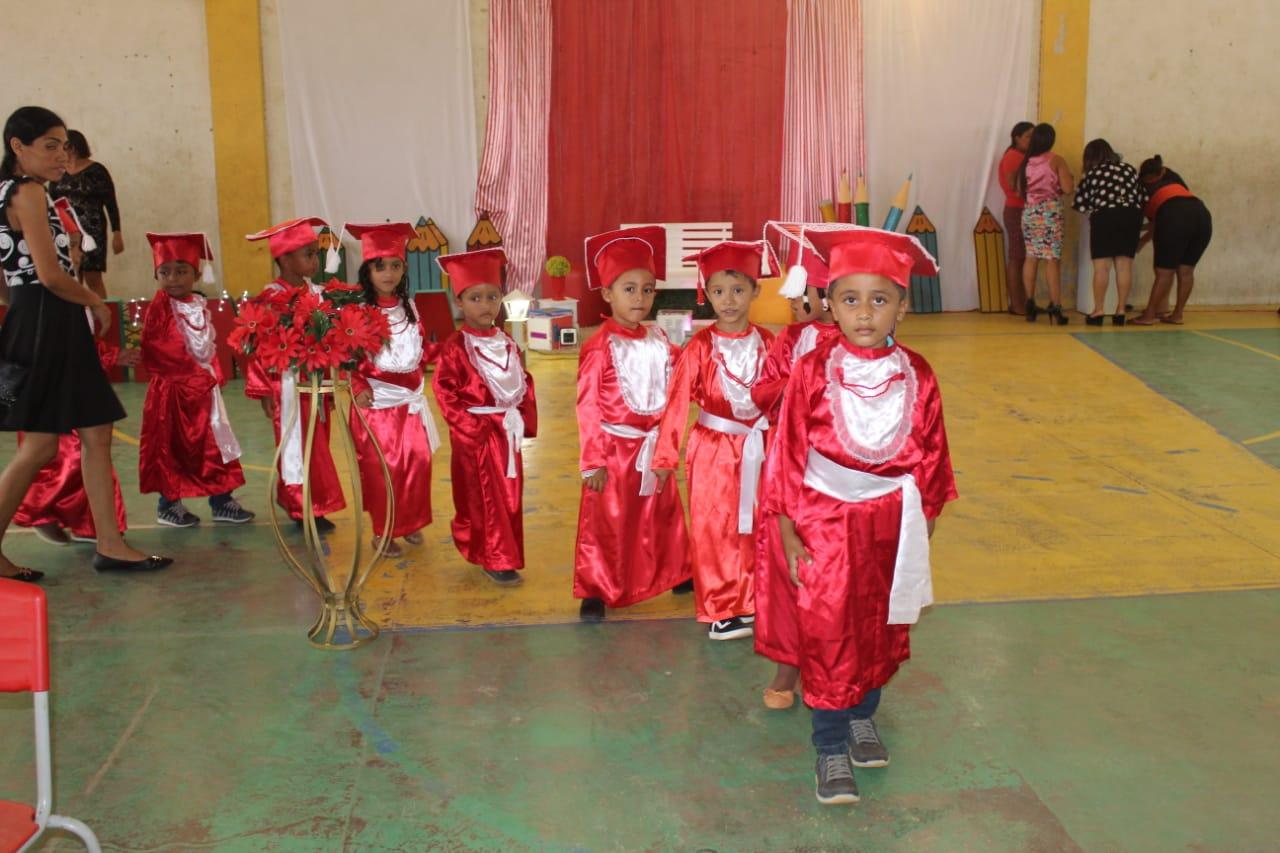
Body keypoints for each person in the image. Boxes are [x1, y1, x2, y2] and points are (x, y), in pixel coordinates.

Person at [763, 225, 957, 805]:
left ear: (903, 305)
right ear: (830, 303)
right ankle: (828, 745)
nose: (865, 313)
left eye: (880, 299)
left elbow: (934, 458)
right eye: (850, 299)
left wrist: (919, 530)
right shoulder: (812, 370)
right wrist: (787, 529)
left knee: (879, 626)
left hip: (891, 523)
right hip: (824, 519)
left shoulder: (919, 374)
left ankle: (861, 715)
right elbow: (788, 451)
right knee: (827, 631)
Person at [0, 106, 171, 580]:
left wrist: (28, 302)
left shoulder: (10, 194)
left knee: (95, 432)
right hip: (48, 321)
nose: (61, 155)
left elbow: (9, 279)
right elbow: (53, 275)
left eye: (64, 146)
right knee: (39, 448)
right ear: (18, 147)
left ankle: (110, 544)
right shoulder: (29, 192)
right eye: (50, 146)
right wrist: (94, 302)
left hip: (39, 316)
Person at [652, 241, 776, 640]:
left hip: (759, 447)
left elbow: (784, 397)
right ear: (706, 293)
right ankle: (721, 606)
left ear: (756, 291)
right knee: (715, 526)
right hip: (714, 449)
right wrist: (664, 457)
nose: (729, 301)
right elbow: (675, 403)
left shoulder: (770, 343)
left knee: (758, 522)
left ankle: (755, 598)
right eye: (719, 291)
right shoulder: (700, 347)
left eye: (739, 290)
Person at [574, 226, 692, 622]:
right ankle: (595, 587)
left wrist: (667, 450)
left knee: (663, 513)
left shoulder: (659, 339)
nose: (639, 298)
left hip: (653, 446)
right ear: (607, 293)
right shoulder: (598, 347)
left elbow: (678, 390)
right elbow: (587, 405)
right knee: (607, 520)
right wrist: (592, 460)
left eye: (647, 289)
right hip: (613, 451)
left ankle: (677, 571)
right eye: (629, 289)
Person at [751, 240, 843, 709]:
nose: (792, 306)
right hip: (787, 469)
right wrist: (793, 387)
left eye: (800, 297)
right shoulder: (789, 341)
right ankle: (788, 662)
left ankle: (831, 662)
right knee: (787, 566)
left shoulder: (852, 348)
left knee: (833, 571)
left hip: (831, 480)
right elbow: (762, 390)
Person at [433, 247, 537, 584]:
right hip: (476, 436)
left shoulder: (506, 341)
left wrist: (522, 417)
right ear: (459, 302)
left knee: (509, 496)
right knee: (484, 499)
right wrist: (472, 428)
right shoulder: (455, 347)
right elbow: (445, 392)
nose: (485, 305)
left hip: (506, 433)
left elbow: (524, 381)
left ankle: (504, 551)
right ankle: (495, 557)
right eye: (475, 298)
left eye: (492, 297)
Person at [138, 232, 253, 527]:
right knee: (173, 448)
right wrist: (194, 377)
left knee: (217, 444)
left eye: (181, 271)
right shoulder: (159, 309)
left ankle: (222, 500)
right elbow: (157, 351)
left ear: (196, 273)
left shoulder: (198, 304)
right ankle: (168, 504)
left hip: (204, 391)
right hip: (174, 393)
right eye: (165, 272)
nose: (173, 278)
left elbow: (207, 346)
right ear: (156, 274)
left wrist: (215, 374)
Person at [243, 217, 346, 529]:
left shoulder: (317, 293)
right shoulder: (270, 297)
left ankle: (312, 503)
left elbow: (330, 332)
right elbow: (257, 345)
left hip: (316, 381)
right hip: (286, 384)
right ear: (284, 258)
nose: (315, 261)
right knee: (295, 444)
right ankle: (301, 507)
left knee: (316, 443)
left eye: (316, 253)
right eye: (308, 254)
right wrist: (263, 391)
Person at [346, 223, 439, 558]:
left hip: (410, 405)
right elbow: (348, 357)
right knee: (383, 469)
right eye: (379, 266)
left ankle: (409, 521)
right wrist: (357, 386)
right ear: (366, 269)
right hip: (377, 406)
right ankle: (383, 531)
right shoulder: (357, 312)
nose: (388, 273)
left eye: (396, 265)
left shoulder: (410, 309)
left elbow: (421, 352)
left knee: (417, 462)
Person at [13, 339, 132, 545]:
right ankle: (39, 508)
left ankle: (90, 523)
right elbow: (60, 334)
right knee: (64, 453)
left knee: (86, 451)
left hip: (70, 375)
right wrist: (107, 354)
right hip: (55, 378)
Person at [1131, 156, 1213, 326]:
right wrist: (1144, 239)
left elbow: (1159, 220)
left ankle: (1149, 315)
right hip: (1202, 215)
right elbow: (1159, 219)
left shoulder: (1143, 187)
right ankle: (1177, 314)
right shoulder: (1173, 177)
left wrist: (1142, 241)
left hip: (1174, 216)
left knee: (1164, 272)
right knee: (1186, 270)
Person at [1072, 139, 1143, 326]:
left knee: (1102, 268)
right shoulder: (1129, 169)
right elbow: (1142, 197)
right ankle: (1120, 311)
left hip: (1105, 217)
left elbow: (1080, 204)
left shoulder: (1092, 173)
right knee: (1124, 266)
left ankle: (1099, 310)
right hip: (1131, 216)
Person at [50, 129, 122, 299]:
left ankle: (103, 314)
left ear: (73, 147)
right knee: (71, 277)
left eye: (63, 147)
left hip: (93, 232)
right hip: (66, 230)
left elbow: (110, 202)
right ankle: (77, 319)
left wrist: (117, 232)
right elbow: (51, 202)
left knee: (93, 277)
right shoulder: (57, 172)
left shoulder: (97, 170)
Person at [1014, 123, 1074, 324]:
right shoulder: (1056, 160)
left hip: (1030, 213)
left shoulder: (1026, 162)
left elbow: (1018, 190)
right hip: (1050, 213)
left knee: (1031, 258)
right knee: (1052, 260)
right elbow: (1067, 188)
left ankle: (1030, 304)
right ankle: (1056, 307)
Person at [998, 121, 1034, 314]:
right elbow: (1014, 186)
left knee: (1023, 257)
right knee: (1016, 257)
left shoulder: (1024, 156)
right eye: (1028, 136)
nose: (1031, 140)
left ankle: (1025, 301)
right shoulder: (1013, 156)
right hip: (1016, 210)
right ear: (1017, 138)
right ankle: (1017, 304)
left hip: (1025, 210)